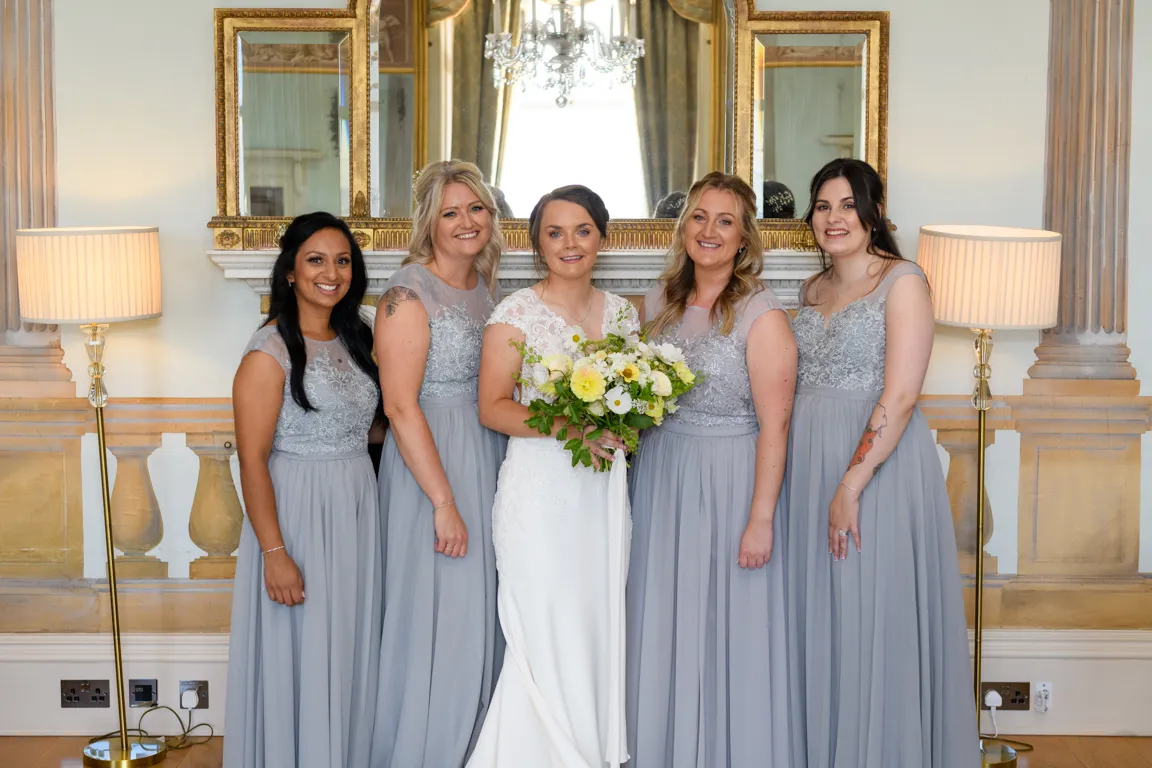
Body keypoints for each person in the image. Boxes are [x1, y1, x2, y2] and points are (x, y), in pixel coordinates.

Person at [784, 157, 978, 767]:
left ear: (872, 215)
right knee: (822, 614)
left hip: (876, 470)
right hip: (807, 460)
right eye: (823, 206)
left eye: (847, 205)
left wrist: (852, 482)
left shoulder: (904, 281)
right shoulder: (810, 290)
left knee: (872, 613)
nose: (834, 218)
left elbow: (900, 395)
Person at [627, 172, 796, 767]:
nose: (710, 230)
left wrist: (760, 518)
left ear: (745, 237)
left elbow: (775, 425)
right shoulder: (657, 304)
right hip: (662, 477)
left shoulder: (761, 314)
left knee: (728, 623)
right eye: (699, 216)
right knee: (664, 617)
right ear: (683, 227)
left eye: (725, 221)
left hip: (729, 480)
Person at [470, 185, 639, 767]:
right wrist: (578, 433)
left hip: (601, 492)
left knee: (593, 620)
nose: (571, 243)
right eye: (555, 232)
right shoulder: (514, 314)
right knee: (544, 622)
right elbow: (492, 406)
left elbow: (629, 400)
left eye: (583, 230)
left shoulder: (620, 313)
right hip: (540, 491)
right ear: (536, 244)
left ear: (603, 238)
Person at [224, 212, 384, 768]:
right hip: (297, 508)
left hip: (357, 503)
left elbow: (370, 425)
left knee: (347, 645)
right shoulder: (268, 351)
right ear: (290, 271)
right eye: (316, 260)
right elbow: (251, 459)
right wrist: (275, 554)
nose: (331, 273)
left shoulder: (358, 335)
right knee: (305, 645)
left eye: (342, 260)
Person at [371, 160, 508, 767]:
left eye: (475, 208)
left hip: (486, 452)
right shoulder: (406, 292)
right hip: (431, 464)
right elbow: (400, 407)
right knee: (438, 613)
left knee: (482, 607)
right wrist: (443, 502)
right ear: (429, 223)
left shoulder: (486, 288)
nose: (466, 221)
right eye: (450, 211)